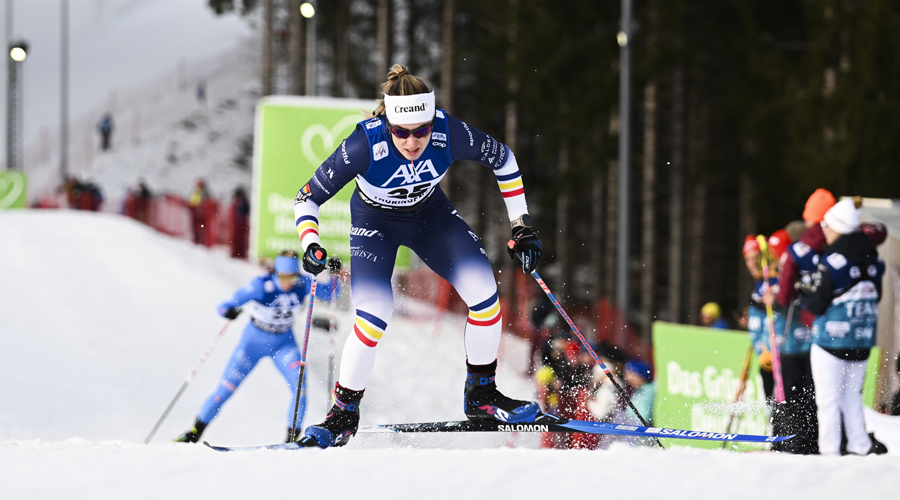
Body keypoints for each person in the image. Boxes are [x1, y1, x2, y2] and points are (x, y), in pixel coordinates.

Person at [291, 64, 543, 448]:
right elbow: (306, 198)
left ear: (432, 121)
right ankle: (342, 413)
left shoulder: (448, 132)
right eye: (401, 132)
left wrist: (521, 226)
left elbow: (504, 159)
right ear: (388, 123)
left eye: (422, 130)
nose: (412, 142)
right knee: (374, 314)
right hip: (375, 224)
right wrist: (310, 243)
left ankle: (481, 394)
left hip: (430, 217)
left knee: (484, 294)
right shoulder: (362, 145)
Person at [174, 250, 313, 443]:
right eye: (283, 276)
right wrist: (229, 311)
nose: (287, 282)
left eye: (291, 276)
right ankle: (194, 433)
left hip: (284, 344)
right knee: (226, 388)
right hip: (252, 345)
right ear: (276, 272)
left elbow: (333, 292)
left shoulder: (304, 283)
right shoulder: (261, 285)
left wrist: (332, 273)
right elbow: (223, 306)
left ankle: (291, 440)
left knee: (300, 389)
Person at [800, 199, 887, 456]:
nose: (824, 230)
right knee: (851, 396)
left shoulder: (832, 260)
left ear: (838, 226)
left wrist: (803, 293)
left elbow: (817, 304)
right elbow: (876, 296)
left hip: (830, 341)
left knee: (827, 400)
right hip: (862, 340)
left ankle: (829, 452)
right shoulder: (875, 259)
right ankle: (859, 445)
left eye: (826, 225)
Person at [229, 187, 250, 258]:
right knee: (235, 240)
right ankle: (235, 252)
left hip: (240, 224)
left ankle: (240, 253)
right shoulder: (238, 202)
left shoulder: (243, 202)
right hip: (236, 224)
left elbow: (244, 211)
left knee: (240, 240)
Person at [188, 179, 210, 245]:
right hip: (196, 212)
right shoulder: (196, 191)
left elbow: (206, 202)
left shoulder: (204, 192)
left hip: (201, 213)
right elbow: (191, 201)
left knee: (201, 227)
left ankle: (201, 240)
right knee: (195, 227)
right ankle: (197, 239)